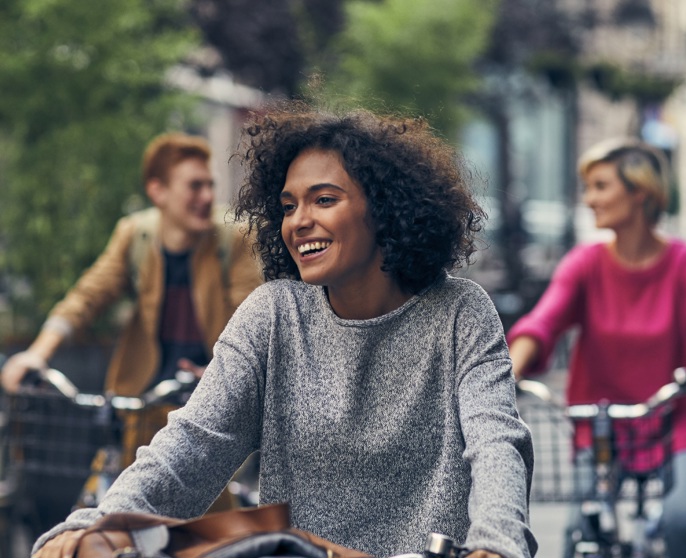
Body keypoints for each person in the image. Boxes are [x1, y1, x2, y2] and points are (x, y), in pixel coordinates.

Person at [31, 105, 538, 558]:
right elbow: (189, 447)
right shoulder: (274, 315)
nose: (298, 221)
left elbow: (497, 443)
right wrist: (93, 526)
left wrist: (496, 545)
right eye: (289, 205)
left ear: (384, 208)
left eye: (323, 200)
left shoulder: (460, 312)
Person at [1, 132, 263, 531]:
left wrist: (221, 372)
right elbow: (88, 296)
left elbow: (250, 317)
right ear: (158, 191)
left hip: (205, 396)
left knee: (207, 521)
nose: (207, 195)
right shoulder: (136, 235)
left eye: (209, 184)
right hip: (141, 397)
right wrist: (39, 352)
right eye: (194, 185)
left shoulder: (232, 239)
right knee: (118, 511)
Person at [507, 137, 686, 558]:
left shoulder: (685, 262)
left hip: (680, 415)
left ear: (639, 192)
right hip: (603, 420)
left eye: (601, 186)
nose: (589, 200)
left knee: (684, 517)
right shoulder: (584, 263)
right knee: (579, 529)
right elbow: (544, 320)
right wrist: (511, 370)